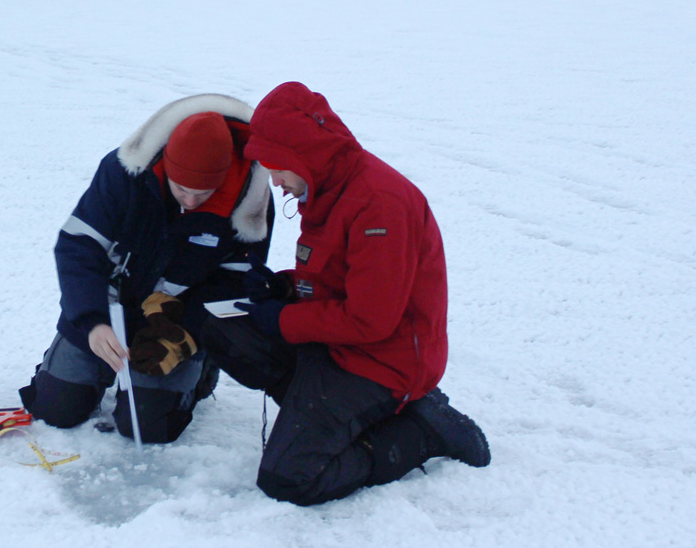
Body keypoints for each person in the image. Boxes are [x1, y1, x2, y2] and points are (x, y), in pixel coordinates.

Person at [196, 81, 491, 505]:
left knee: (289, 479)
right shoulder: (328, 186)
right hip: (336, 347)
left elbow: (369, 319)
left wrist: (281, 319)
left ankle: (421, 431)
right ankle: (333, 416)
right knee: (222, 329)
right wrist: (281, 286)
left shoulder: (380, 205)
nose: (275, 181)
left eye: (277, 166)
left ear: (301, 156)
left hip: (383, 363)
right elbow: (335, 278)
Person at [19, 94, 274, 443]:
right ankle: (78, 364)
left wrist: (185, 332)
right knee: (56, 409)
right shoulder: (124, 172)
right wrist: (91, 322)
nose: (190, 200)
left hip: (173, 320)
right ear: (166, 164)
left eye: (204, 193)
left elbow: (238, 281)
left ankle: (200, 371)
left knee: (148, 426)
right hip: (106, 305)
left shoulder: (250, 199)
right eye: (182, 189)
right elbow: (78, 245)